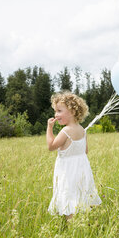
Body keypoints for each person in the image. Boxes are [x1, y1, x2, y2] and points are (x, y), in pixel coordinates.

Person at [46, 91, 101, 220]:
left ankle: (71, 226)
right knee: (80, 194)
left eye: (59, 111)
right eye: (55, 111)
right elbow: (85, 151)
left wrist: (49, 128)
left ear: (72, 111)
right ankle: (84, 221)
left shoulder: (66, 131)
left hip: (67, 170)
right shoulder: (82, 130)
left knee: (68, 194)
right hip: (81, 168)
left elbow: (51, 146)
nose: (56, 114)